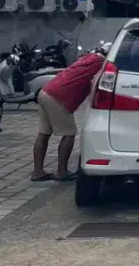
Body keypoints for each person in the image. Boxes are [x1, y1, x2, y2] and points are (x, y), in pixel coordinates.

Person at [31, 46, 108, 182]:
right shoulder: (101, 64)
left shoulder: (88, 58)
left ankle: (38, 172)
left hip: (46, 91)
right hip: (59, 96)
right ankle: (62, 172)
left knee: (44, 133)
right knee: (69, 133)